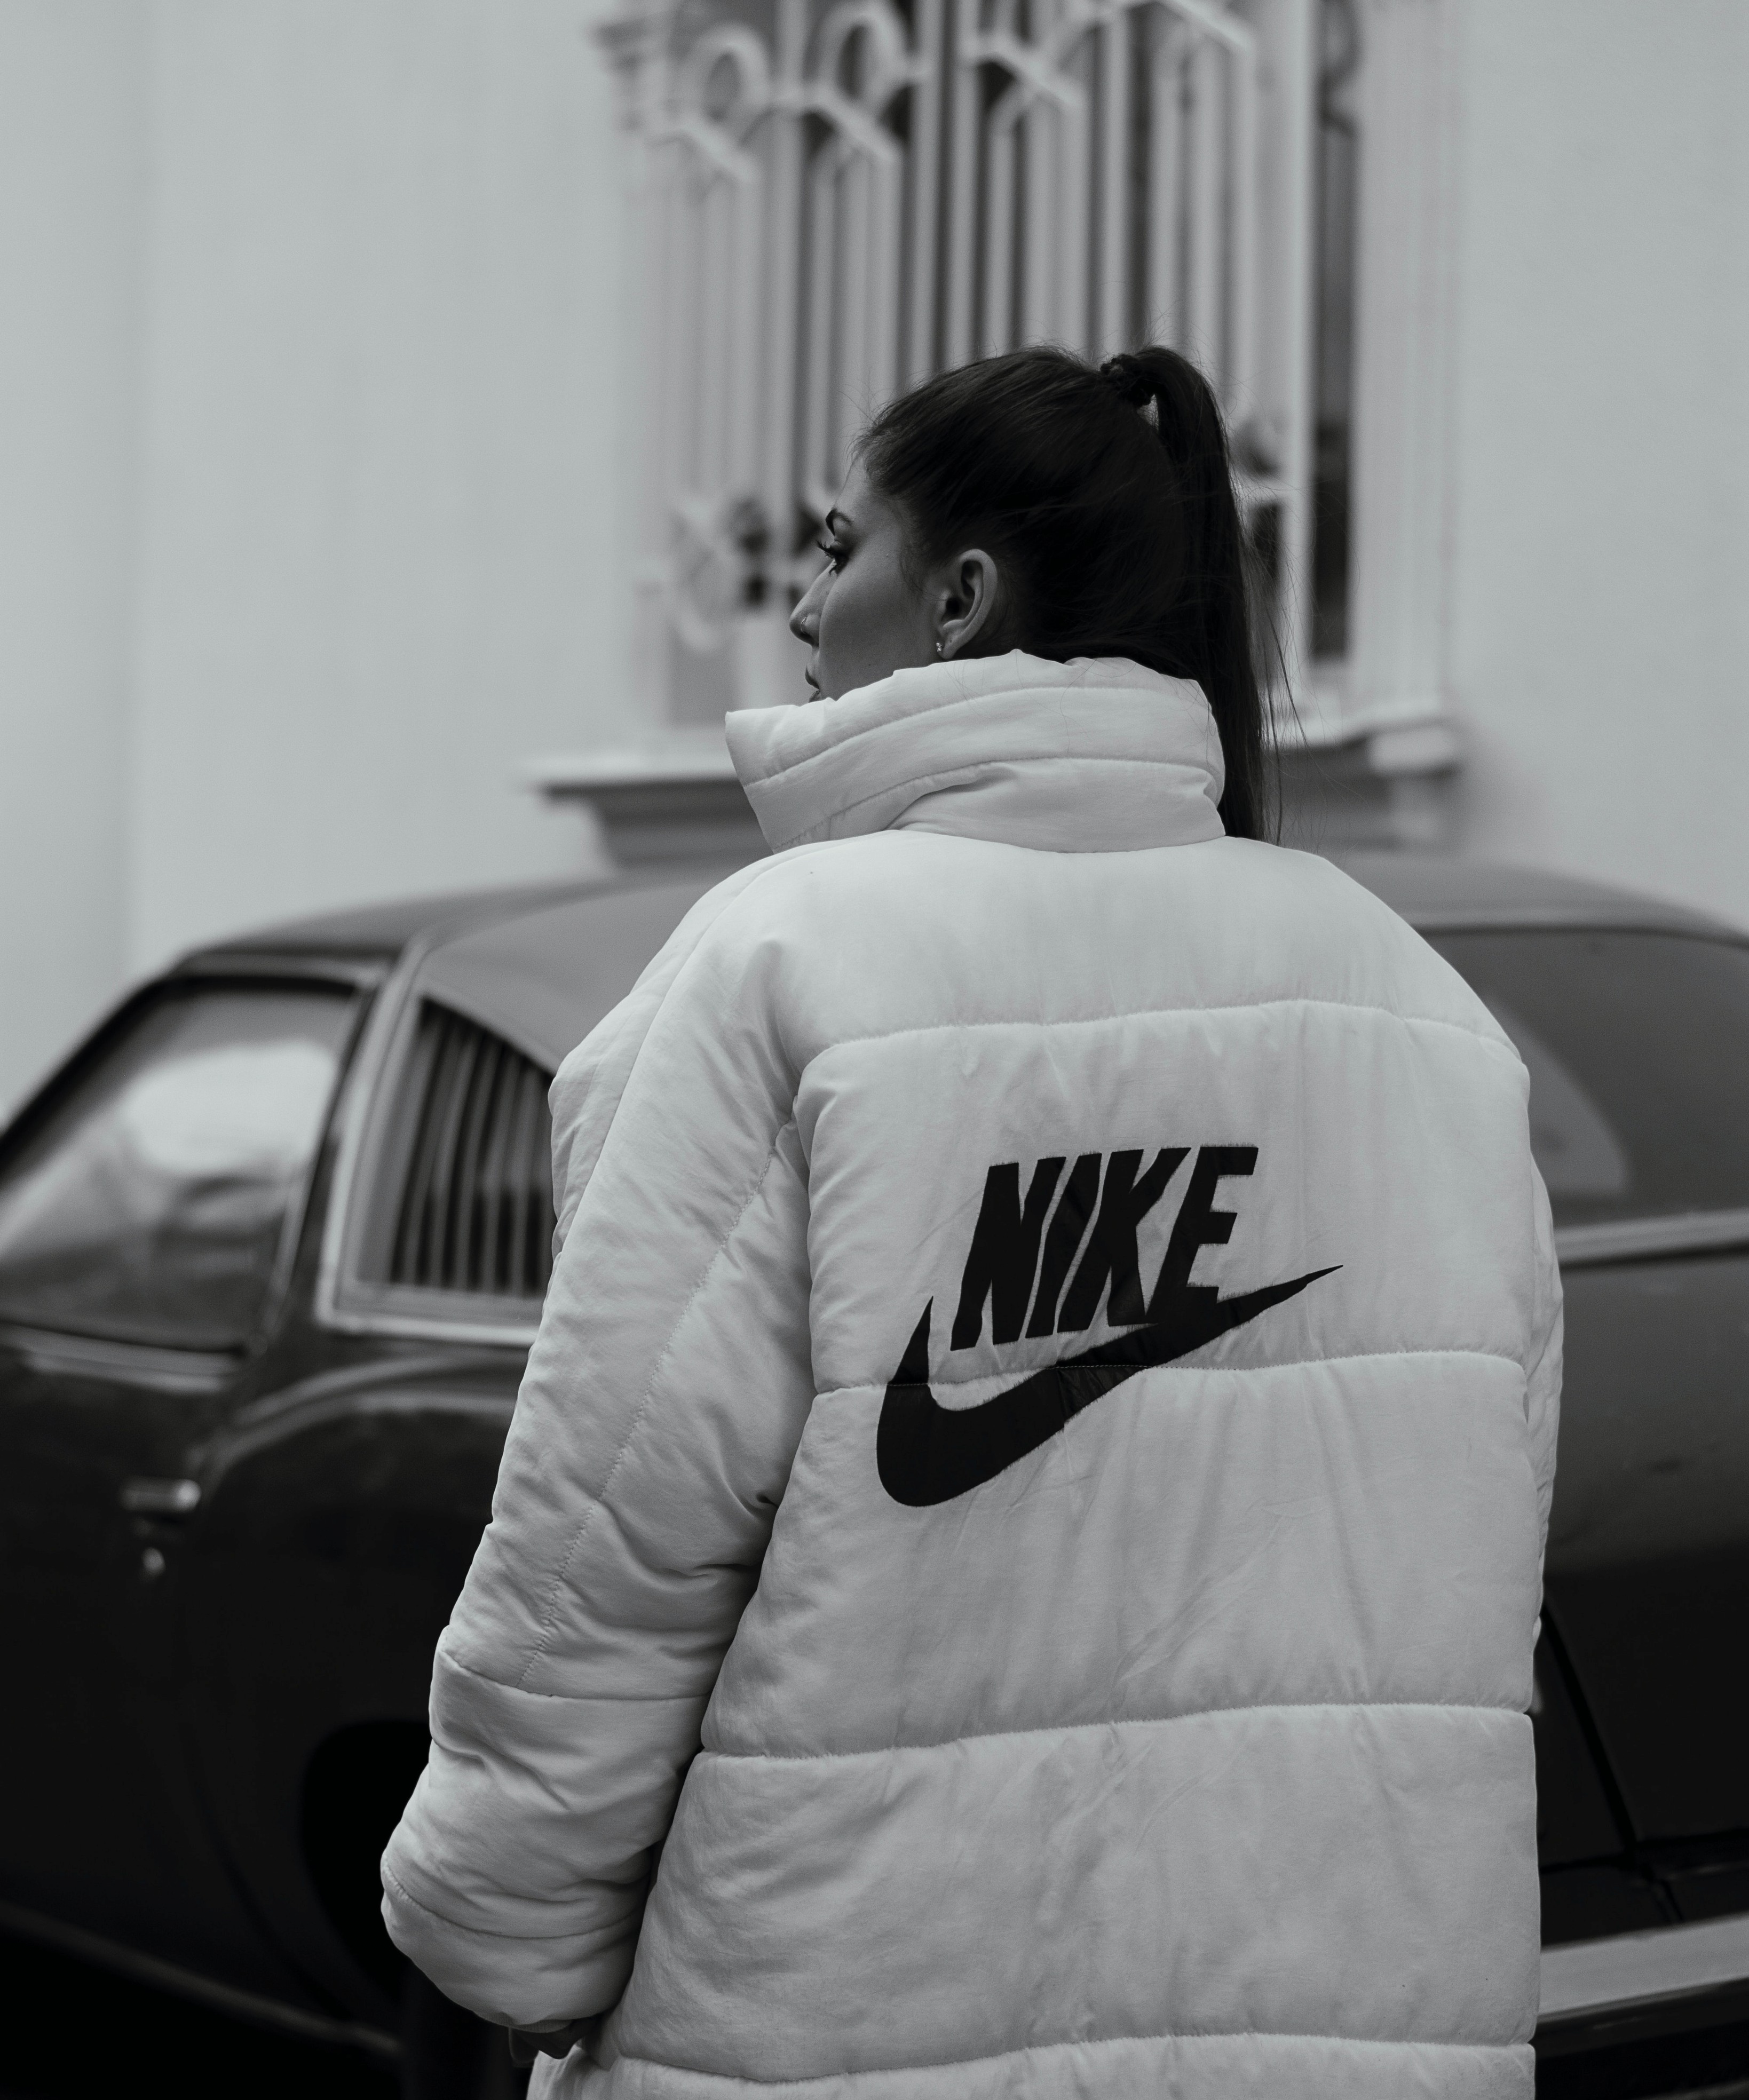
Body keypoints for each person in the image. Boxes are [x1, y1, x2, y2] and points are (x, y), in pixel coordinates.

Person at [382, 345, 1561, 2098]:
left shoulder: (784, 963)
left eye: (838, 545)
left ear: (956, 599)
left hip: (850, 2014)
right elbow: (1480, 1547)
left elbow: (615, 1537)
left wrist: (509, 1927)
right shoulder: (1417, 1010)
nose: (797, 602)